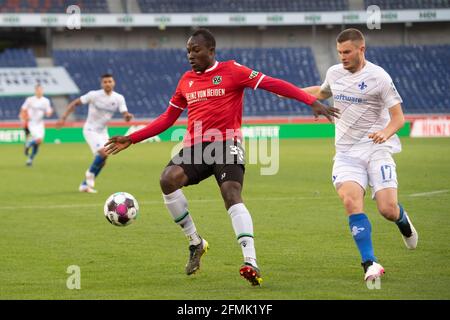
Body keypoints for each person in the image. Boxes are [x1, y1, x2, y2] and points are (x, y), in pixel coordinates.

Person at [104, 28, 339, 286]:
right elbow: (167, 118)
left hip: (227, 143)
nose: (191, 55)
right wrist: (133, 137)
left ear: (211, 51)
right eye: (188, 51)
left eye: (196, 50)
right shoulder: (186, 81)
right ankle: (195, 242)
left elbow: (273, 83)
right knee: (168, 179)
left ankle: (251, 261)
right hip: (196, 147)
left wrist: (310, 101)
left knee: (231, 193)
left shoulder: (232, 71)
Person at [303, 28, 418, 282]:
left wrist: (385, 132)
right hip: (346, 153)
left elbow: (399, 118)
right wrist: (290, 91)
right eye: (339, 52)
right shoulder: (334, 73)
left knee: (387, 209)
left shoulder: (379, 77)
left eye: (347, 52)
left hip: (377, 149)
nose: (342, 57)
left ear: (361, 49)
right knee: (350, 201)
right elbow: (321, 93)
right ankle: (370, 262)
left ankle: (402, 220)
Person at [57, 74, 133, 193]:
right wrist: (63, 117)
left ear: (114, 83)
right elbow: (75, 103)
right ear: (101, 84)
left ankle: (84, 186)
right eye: (105, 82)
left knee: (104, 160)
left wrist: (127, 117)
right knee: (103, 153)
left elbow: (125, 114)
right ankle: (90, 173)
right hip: (90, 130)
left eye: (110, 81)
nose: (107, 83)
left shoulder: (119, 98)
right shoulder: (93, 95)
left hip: (103, 131)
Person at [19, 84, 53, 166]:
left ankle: (30, 159)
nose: (40, 91)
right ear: (35, 91)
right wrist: (24, 117)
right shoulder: (30, 100)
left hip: (40, 123)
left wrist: (49, 112)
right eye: (38, 90)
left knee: (38, 143)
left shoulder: (46, 101)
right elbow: (23, 109)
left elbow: (48, 112)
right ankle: (28, 145)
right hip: (32, 123)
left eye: (41, 90)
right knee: (39, 140)